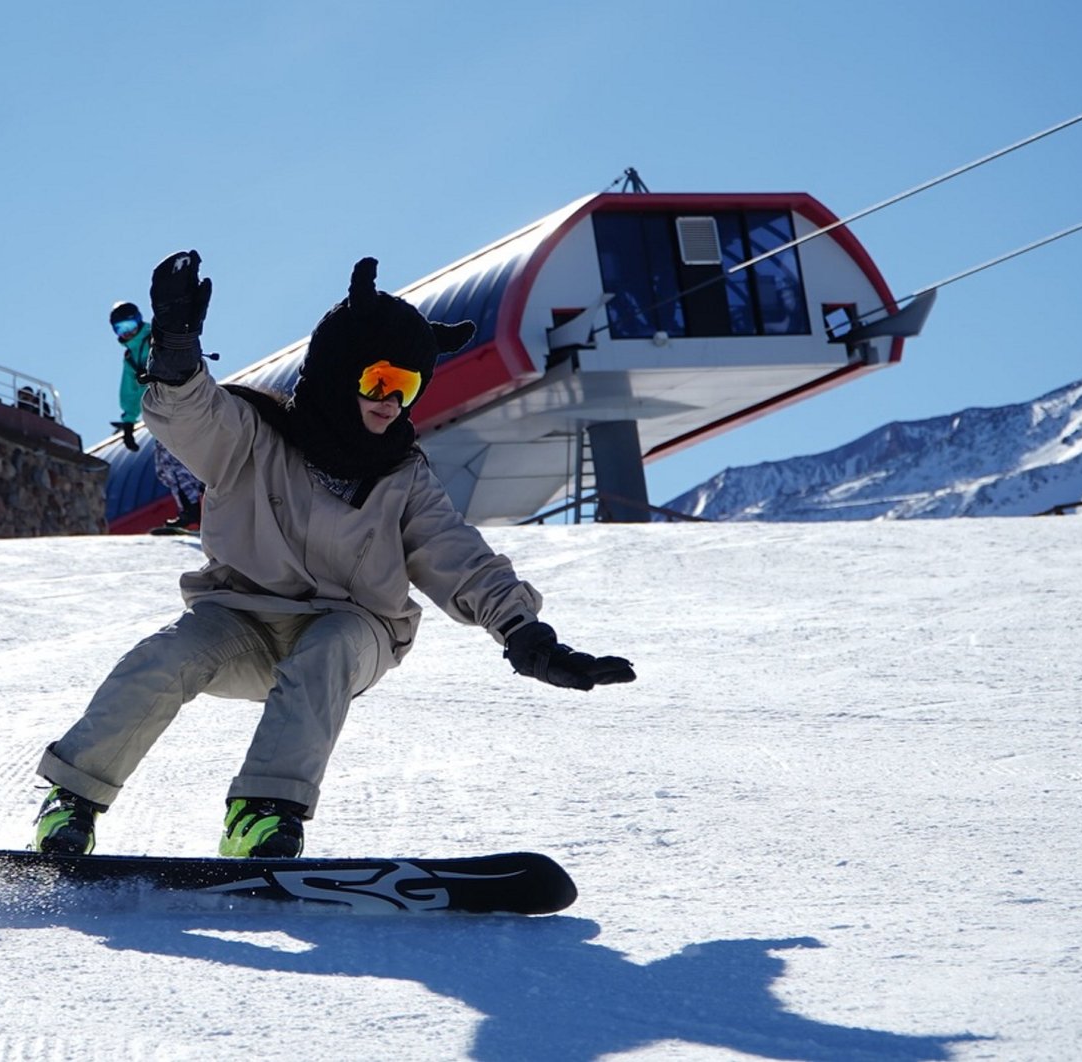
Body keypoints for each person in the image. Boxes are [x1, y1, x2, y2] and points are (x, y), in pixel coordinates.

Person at [35, 251, 636, 858]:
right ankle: (73, 800)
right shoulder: (252, 436)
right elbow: (190, 416)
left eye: (406, 387)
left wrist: (525, 635)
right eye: (378, 380)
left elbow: (460, 557)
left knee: (327, 649)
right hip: (240, 617)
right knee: (165, 655)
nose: (390, 401)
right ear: (338, 369)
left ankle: (263, 816)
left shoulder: (402, 476)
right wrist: (175, 351)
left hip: (354, 626)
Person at [109, 300, 206, 531]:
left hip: (178, 405)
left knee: (180, 461)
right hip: (159, 413)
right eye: (120, 329)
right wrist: (129, 425)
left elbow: (176, 362)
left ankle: (201, 507)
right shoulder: (130, 356)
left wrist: (156, 376)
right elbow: (130, 393)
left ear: (138, 319)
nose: (128, 331)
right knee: (165, 467)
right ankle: (190, 509)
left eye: (130, 324)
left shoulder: (155, 338)